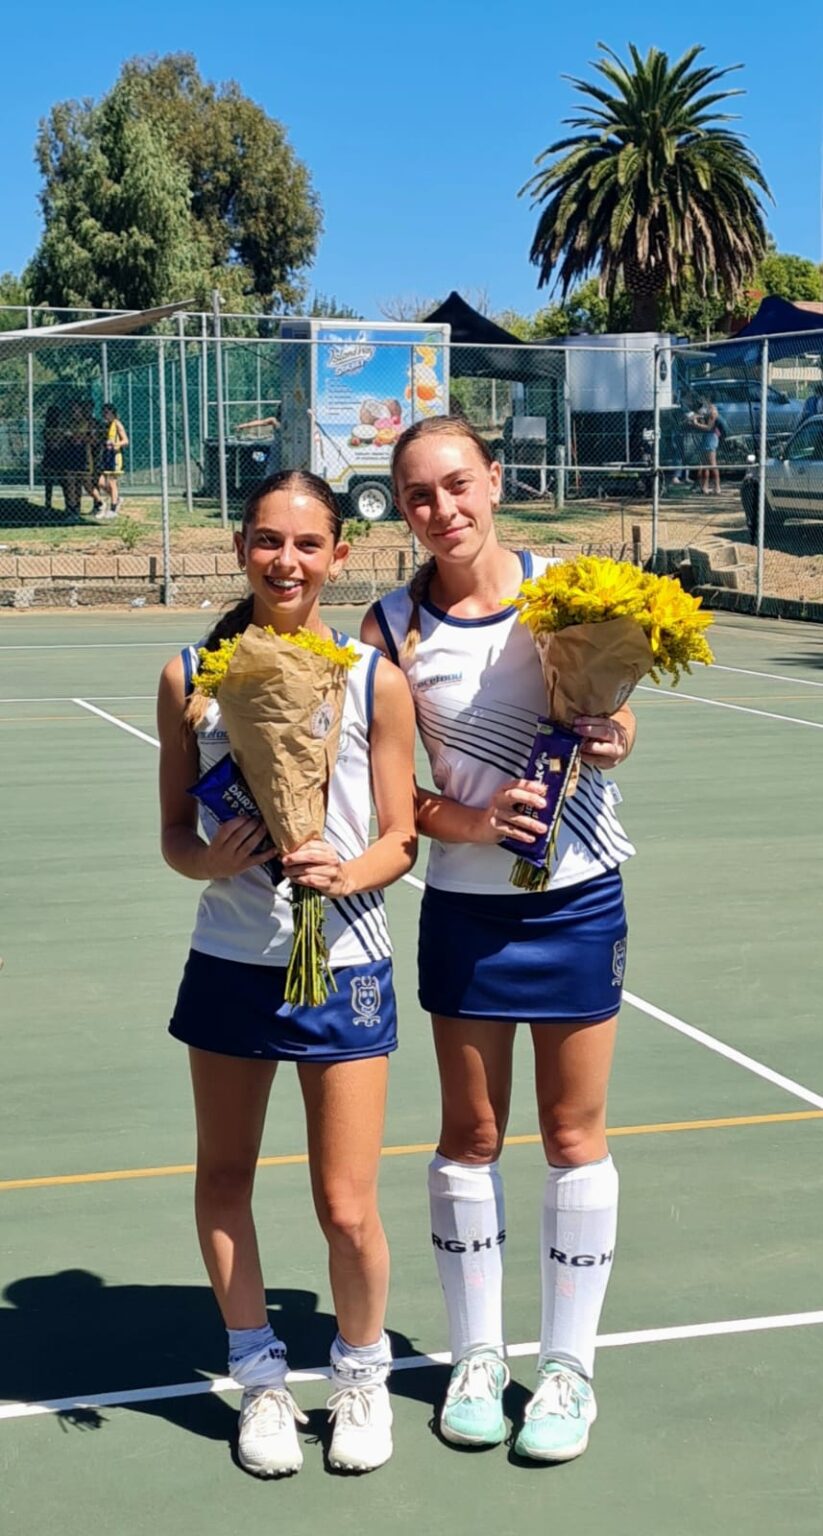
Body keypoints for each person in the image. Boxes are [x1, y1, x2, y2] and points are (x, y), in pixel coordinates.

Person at [361, 416, 636, 1464]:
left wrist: (612, 734)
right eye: (418, 495)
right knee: (471, 1136)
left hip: (578, 899)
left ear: (495, 480)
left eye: (457, 484)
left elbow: (620, 721)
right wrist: (477, 824)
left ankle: (568, 1371)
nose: (442, 510)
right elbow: (395, 799)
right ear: (403, 510)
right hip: (468, 911)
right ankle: (476, 1358)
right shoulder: (390, 627)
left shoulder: (568, 590)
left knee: (572, 1136)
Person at [157, 469, 417, 1478]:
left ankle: (361, 1374)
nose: (287, 561)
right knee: (224, 1179)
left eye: (309, 544)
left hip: (345, 962)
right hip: (230, 961)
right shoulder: (191, 675)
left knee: (346, 1205)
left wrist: (344, 872)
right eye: (268, 540)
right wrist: (207, 861)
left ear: (340, 555)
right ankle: (259, 1377)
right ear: (240, 549)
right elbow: (175, 837)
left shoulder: (371, 677)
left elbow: (399, 837)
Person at [96, 402, 129, 519]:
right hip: (106, 456)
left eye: (107, 412)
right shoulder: (105, 425)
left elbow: (126, 441)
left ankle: (113, 509)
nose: (105, 415)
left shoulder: (117, 424)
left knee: (112, 482)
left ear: (113, 413)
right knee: (100, 481)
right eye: (103, 413)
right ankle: (117, 498)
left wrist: (115, 444)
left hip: (115, 456)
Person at [690, 395, 721, 495]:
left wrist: (696, 424)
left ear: (709, 400)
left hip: (711, 437)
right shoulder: (706, 410)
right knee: (704, 464)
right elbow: (703, 419)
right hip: (705, 437)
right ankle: (704, 487)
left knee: (712, 463)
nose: (703, 401)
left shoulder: (713, 411)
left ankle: (717, 487)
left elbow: (709, 427)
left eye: (705, 399)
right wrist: (695, 418)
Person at [236, 413, 281, 477]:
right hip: (277, 449)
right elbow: (262, 422)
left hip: (288, 449)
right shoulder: (275, 421)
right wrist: (243, 426)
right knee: (273, 469)